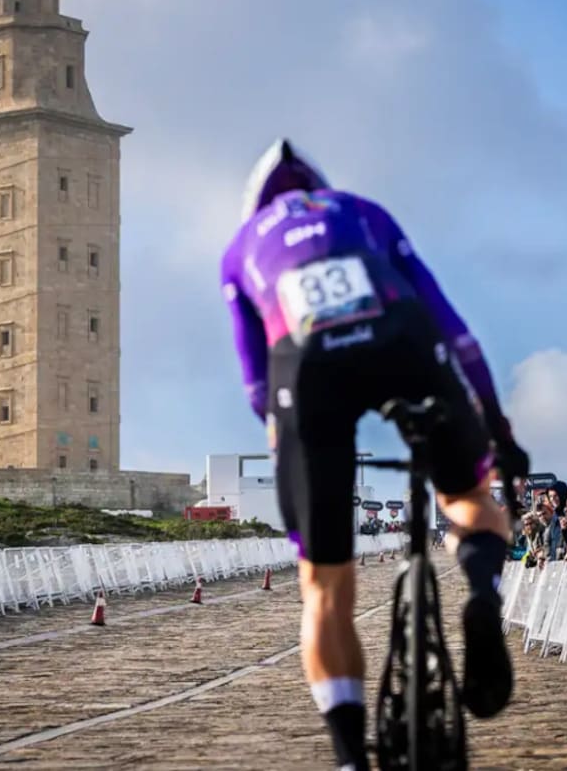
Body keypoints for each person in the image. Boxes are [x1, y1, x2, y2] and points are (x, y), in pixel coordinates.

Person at [220, 140, 530, 771]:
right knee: (468, 500)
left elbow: (256, 385)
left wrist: (294, 445)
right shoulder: (362, 210)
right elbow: (451, 323)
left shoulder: (241, 245)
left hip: (305, 375)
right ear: (319, 187)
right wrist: (496, 427)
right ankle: (481, 595)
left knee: (324, 586)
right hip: (403, 342)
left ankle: (346, 758)